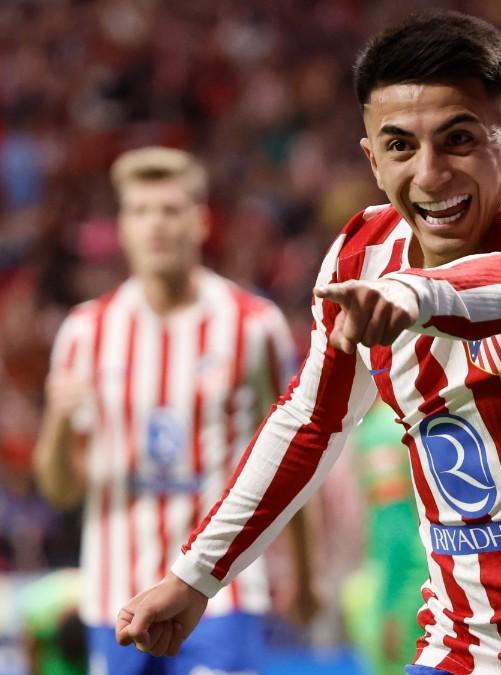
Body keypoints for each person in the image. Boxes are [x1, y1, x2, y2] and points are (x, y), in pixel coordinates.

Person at [116, 11, 501, 675]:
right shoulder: (360, 256)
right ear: (372, 158)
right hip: (463, 650)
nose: (429, 175)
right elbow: (311, 422)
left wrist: (418, 294)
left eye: (458, 139)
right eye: (400, 146)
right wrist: (197, 574)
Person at [34, 146, 319, 675]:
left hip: (223, 594)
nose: (155, 225)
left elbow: (294, 450)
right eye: (141, 211)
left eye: (170, 210)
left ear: (200, 220)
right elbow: (60, 490)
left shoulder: (252, 325)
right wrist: (54, 423)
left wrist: (303, 575)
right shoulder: (84, 333)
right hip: (114, 594)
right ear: (122, 226)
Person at [340, 401, 429, 675]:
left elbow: (398, 532)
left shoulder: (383, 431)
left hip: (406, 594)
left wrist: (394, 608)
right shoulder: (407, 415)